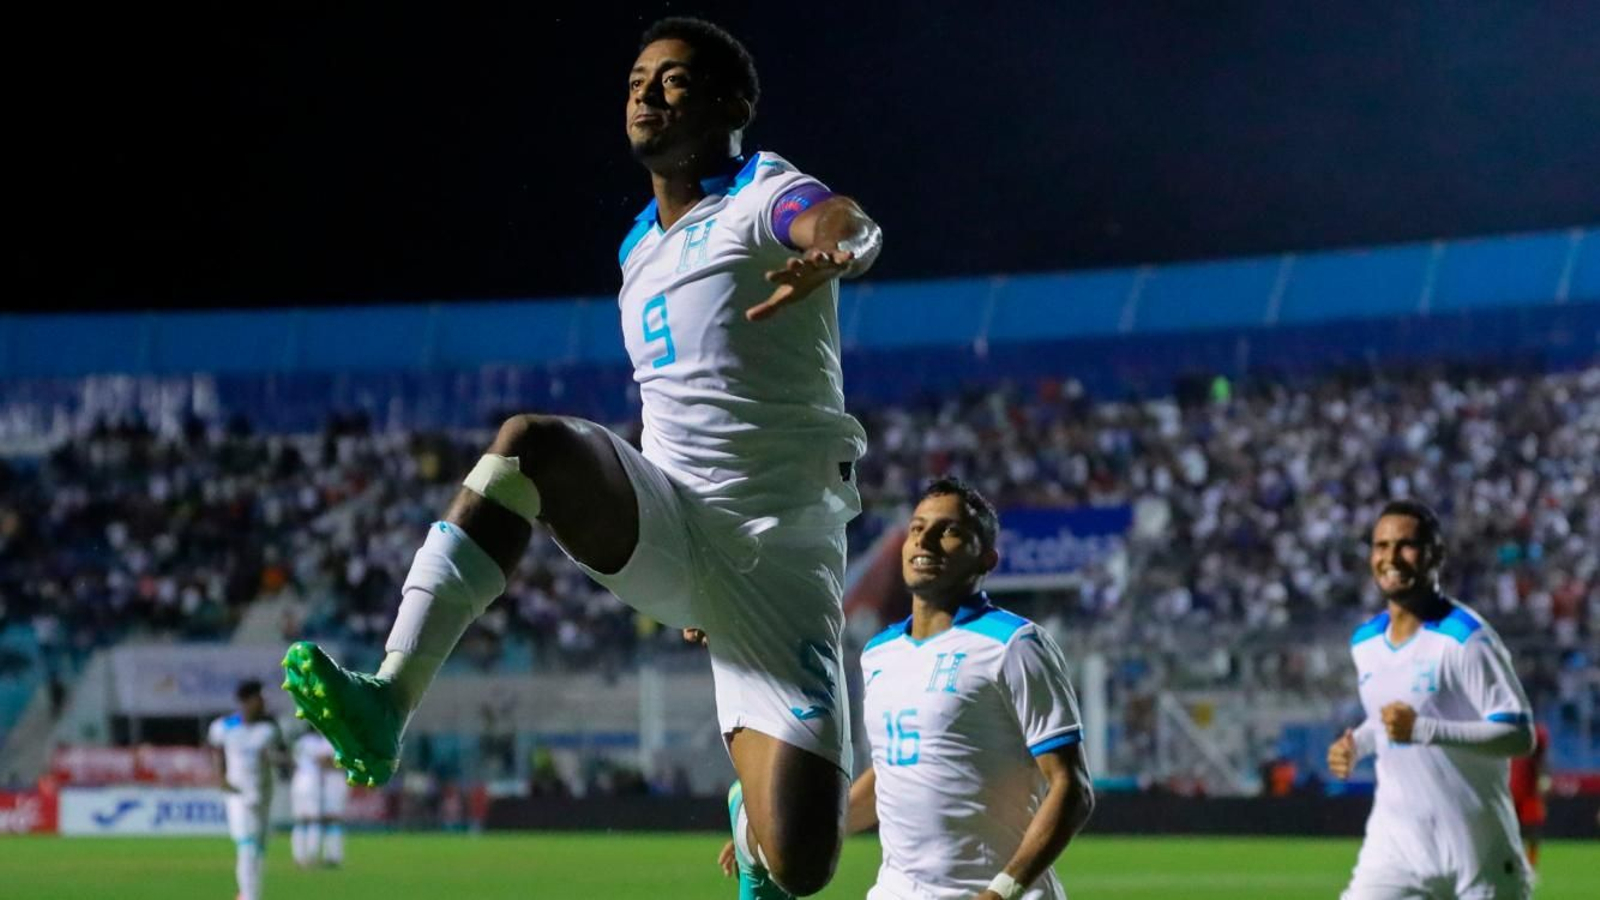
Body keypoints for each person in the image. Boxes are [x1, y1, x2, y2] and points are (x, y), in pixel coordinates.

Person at [281, 15, 882, 897]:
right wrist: (660, 542)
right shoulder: (636, 248)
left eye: (673, 79)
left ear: (731, 102)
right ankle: (388, 697)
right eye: (637, 79)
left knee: (801, 865)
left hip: (780, 553)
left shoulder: (763, 192)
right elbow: (663, 406)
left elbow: (841, 219)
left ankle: (750, 834)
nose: (645, 92)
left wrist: (840, 248)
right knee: (528, 446)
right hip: (674, 517)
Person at [721, 479, 1094, 899]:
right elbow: (895, 771)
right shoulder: (880, 653)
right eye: (917, 528)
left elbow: (1072, 787)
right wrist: (783, 839)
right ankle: (754, 833)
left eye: (949, 531)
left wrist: (1000, 892)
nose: (926, 541)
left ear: (986, 558)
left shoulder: (1015, 646)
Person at [1327, 499, 1537, 900]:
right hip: (1397, 847)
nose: (1391, 557)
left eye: (1405, 545)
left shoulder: (1466, 639)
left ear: (1435, 556)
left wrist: (1424, 730)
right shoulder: (1365, 642)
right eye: (1381, 546)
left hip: (1477, 850)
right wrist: (1357, 744)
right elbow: (1388, 717)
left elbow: (1518, 734)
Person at [208, 680, 288, 900]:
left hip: (263, 791)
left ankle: (248, 892)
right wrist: (221, 778)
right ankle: (251, 896)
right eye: (259, 698)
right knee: (247, 843)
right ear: (246, 700)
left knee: (259, 847)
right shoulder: (223, 726)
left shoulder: (269, 728)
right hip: (237, 792)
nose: (263, 702)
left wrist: (275, 759)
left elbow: (284, 757)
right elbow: (217, 753)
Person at [290, 728, 348, 868]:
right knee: (317, 819)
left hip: (299, 779)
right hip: (314, 782)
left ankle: (300, 855)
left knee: (302, 820)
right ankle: (313, 856)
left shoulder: (301, 740)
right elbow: (325, 760)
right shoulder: (320, 741)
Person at [1508, 723, 1550, 869]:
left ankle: (1531, 865)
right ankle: (1514, 864)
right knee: (1512, 831)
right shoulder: (1505, 728)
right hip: (1510, 789)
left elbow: (1542, 762)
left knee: (1533, 831)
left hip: (1529, 791)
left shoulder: (1537, 733)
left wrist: (1543, 781)